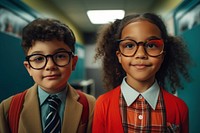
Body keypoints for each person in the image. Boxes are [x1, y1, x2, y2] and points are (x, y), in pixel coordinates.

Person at [92, 13, 191, 133]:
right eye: (129, 45)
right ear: (119, 56)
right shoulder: (102, 104)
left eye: (151, 45)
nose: (141, 54)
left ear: (163, 55)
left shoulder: (179, 108)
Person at [0, 18, 95, 133]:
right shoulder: (8, 108)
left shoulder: (91, 105)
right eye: (39, 58)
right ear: (28, 67)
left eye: (60, 56)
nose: (50, 66)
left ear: (73, 62)